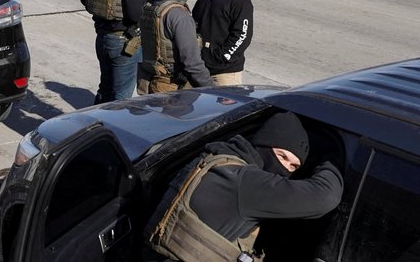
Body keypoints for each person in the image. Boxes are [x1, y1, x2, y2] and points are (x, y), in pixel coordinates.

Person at [147, 111, 343, 262]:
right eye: (282, 156)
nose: (286, 170)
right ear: (264, 144)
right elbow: (324, 197)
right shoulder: (244, 183)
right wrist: (332, 159)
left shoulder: (218, 160)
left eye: (294, 166)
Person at [137, 0, 213, 94]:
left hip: (150, 81)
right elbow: (192, 62)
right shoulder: (178, 15)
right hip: (171, 86)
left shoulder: (150, 8)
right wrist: (212, 87)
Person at [193, 0, 253, 85]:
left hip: (225, 72)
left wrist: (221, 56)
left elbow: (242, 35)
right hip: (200, 68)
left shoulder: (240, 0)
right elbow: (195, 22)